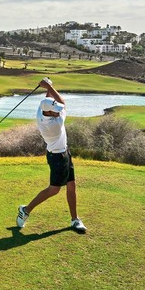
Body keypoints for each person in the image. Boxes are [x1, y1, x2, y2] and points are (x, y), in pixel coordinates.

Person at [17, 78, 86, 234]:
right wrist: (48, 86)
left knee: (71, 186)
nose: (57, 110)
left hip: (64, 152)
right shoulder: (54, 124)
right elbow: (62, 103)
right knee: (54, 190)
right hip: (57, 158)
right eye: (54, 110)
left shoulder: (42, 110)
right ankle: (25, 210)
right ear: (48, 112)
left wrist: (49, 86)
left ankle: (75, 219)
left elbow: (53, 100)